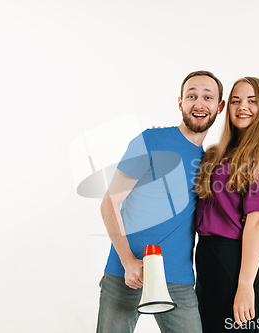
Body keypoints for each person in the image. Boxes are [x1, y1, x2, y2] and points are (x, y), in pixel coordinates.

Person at [96, 70, 225, 333]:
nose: (199, 104)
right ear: (180, 103)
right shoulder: (151, 140)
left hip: (177, 277)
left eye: (207, 97)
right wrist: (128, 261)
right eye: (192, 96)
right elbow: (109, 202)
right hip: (126, 272)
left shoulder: (211, 160)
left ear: (219, 106)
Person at [194, 77, 259, 332]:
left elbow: (258, 221)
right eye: (236, 101)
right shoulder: (217, 154)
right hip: (209, 261)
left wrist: (245, 284)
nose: (242, 106)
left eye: (252, 101)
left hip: (237, 263)